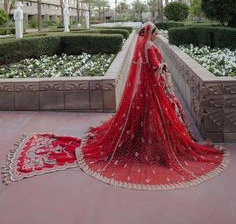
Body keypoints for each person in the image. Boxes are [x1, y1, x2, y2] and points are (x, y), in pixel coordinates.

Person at [2, 22, 229, 189]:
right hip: (154, 89)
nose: (158, 37)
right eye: (156, 34)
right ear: (151, 34)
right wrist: (163, 69)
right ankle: (156, 145)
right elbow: (154, 68)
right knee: (158, 116)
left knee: (149, 117)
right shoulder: (149, 48)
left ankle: (150, 139)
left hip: (151, 90)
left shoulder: (145, 46)